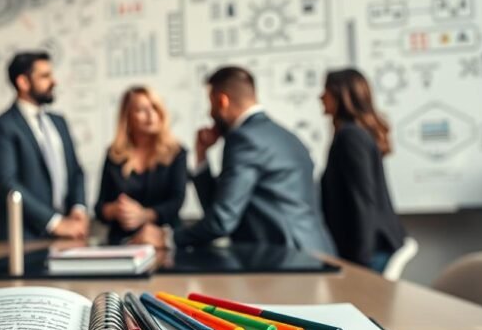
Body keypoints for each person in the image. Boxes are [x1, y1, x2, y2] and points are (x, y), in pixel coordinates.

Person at [132, 66, 335, 253]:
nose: (209, 114)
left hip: (288, 258)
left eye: (211, 105)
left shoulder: (244, 139)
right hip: (315, 250)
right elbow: (221, 205)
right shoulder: (284, 136)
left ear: (222, 101)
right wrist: (202, 154)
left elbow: (222, 220)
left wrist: (167, 238)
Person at [0, 51, 88, 241]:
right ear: (23, 82)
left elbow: (76, 171)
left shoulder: (59, 122)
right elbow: (8, 183)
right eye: (45, 76)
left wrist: (78, 208)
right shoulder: (2, 126)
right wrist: (54, 222)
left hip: (66, 235)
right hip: (22, 238)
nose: (54, 82)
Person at [319, 68, 406, 272]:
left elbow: (362, 199)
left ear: (342, 95)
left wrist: (358, 263)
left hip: (368, 254)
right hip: (366, 250)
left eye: (326, 91)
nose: (321, 97)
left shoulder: (351, 137)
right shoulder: (353, 134)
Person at [95, 86, 187, 244]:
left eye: (155, 108)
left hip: (162, 241)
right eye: (141, 110)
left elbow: (176, 201)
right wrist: (116, 210)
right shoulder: (114, 155)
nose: (151, 115)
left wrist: (144, 215)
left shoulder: (176, 152)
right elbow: (100, 208)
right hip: (122, 242)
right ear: (127, 117)